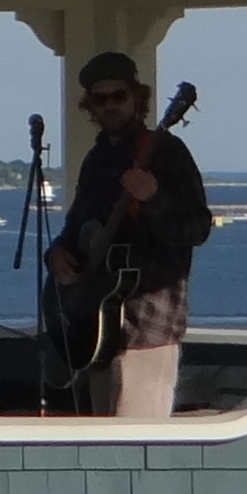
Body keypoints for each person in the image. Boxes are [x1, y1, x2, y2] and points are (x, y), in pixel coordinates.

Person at [46, 51, 210, 421]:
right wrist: (56, 253)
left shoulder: (168, 153)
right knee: (103, 439)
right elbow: (77, 229)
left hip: (148, 326)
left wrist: (153, 197)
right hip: (96, 329)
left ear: (138, 98)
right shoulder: (96, 159)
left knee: (139, 441)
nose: (110, 106)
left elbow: (197, 228)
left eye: (118, 96)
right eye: (99, 99)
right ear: (89, 105)